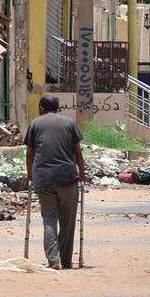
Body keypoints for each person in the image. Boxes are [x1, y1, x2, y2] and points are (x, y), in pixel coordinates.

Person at [24, 95, 89, 269]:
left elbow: (30, 154)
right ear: (58, 108)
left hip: (43, 179)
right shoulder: (69, 123)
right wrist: (82, 175)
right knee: (67, 222)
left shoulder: (35, 124)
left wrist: (30, 175)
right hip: (67, 178)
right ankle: (66, 261)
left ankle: (53, 260)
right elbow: (78, 153)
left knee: (49, 220)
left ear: (41, 108)